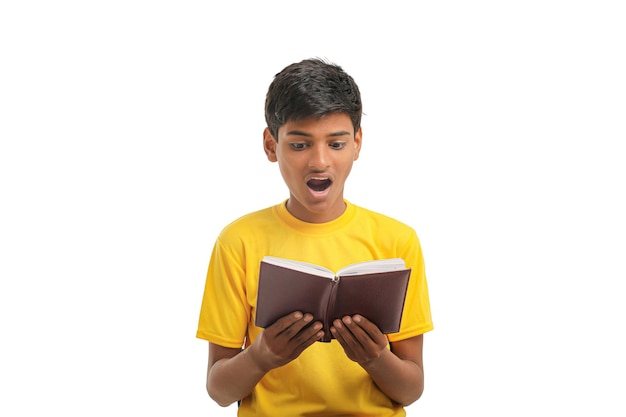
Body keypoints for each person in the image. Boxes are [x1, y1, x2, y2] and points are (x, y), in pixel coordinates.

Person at [196, 58, 433, 416]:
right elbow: (219, 390)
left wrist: (375, 357)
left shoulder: (398, 242)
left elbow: (412, 388)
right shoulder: (238, 242)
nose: (320, 161)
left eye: (336, 144)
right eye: (300, 145)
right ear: (271, 145)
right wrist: (263, 356)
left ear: (357, 143)